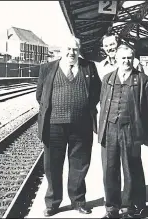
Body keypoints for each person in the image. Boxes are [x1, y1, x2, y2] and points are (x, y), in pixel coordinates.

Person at [36, 35, 101, 217]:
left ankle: (78, 201)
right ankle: (53, 203)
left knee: (80, 165)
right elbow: (40, 95)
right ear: (61, 50)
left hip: (81, 126)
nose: (71, 52)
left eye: (75, 49)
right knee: (52, 166)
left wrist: (82, 108)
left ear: (78, 50)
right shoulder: (48, 68)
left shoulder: (89, 67)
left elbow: (96, 92)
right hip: (54, 125)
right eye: (68, 49)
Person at [98, 43, 148, 218]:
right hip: (110, 128)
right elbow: (103, 102)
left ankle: (129, 205)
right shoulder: (107, 79)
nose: (126, 61)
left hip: (131, 129)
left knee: (131, 168)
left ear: (133, 59)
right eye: (123, 58)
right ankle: (111, 207)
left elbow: (147, 108)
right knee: (109, 168)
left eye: (129, 58)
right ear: (117, 59)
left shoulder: (142, 79)